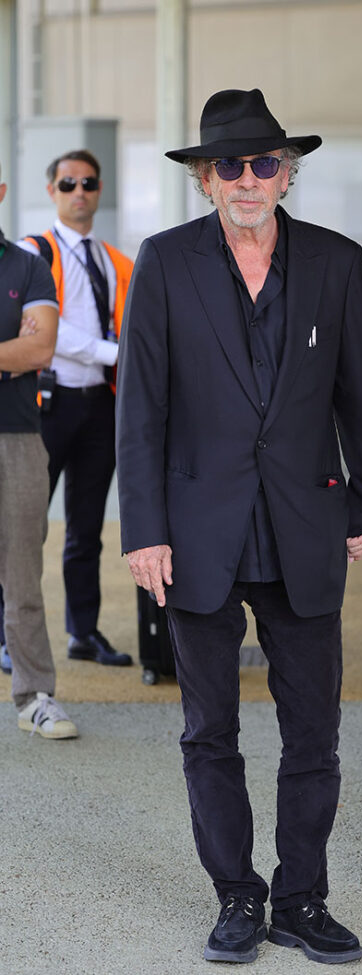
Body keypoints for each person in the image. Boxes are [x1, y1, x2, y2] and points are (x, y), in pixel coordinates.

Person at [116, 88, 362, 964]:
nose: (247, 179)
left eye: (264, 163)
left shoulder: (335, 262)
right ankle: (237, 893)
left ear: (286, 175)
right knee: (210, 730)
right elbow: (143, 411)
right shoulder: (163, 264)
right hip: (196, 530)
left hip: (304, 525)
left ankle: (302, 900)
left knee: (314, 729)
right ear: (205, 181)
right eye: (229, 165)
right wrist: (143, 529)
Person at [0, 149, 134, 670]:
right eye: (68, 183)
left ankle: (84, 631)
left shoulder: (113, 259)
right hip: (47, 405)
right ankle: (9, 637)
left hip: (100, 403)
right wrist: (108, 351)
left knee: (87, 528)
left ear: (99, 191)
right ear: (52, 191)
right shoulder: (36, 254)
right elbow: (51, 339)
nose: (80, 191)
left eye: (89, 182)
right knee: (20, 528)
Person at [0, 161, 78, 738]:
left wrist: (21, 350)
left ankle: (34, 697)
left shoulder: (27, 267)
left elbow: (39, 349)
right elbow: (18, 349)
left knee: (23, 574)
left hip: (18, 439)